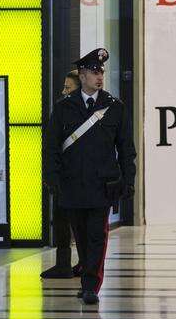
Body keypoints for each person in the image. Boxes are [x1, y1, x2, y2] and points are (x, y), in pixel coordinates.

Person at [45, 48, 137, 305]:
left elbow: (126, 148)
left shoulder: (114, 107)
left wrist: (128, 180)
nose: (99, 77)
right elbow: (51, 145)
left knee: (97, 235)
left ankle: (90, 285)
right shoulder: (64, 108)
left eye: (101, 73)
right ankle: (87, 271)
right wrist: (51, 177)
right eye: (94, 72)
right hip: (72, 185)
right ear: (82, 75)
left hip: (102, 185)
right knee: (82, 236)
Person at [41, 70, 84, 279]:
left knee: (77, 223)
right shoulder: (62, 109)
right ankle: (64, 264)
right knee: (62, 222)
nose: (63, 91)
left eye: (68, 87)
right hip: (64, 176)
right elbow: (51, 145)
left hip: (76, 177)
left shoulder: (92, 112)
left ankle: (78, 263)